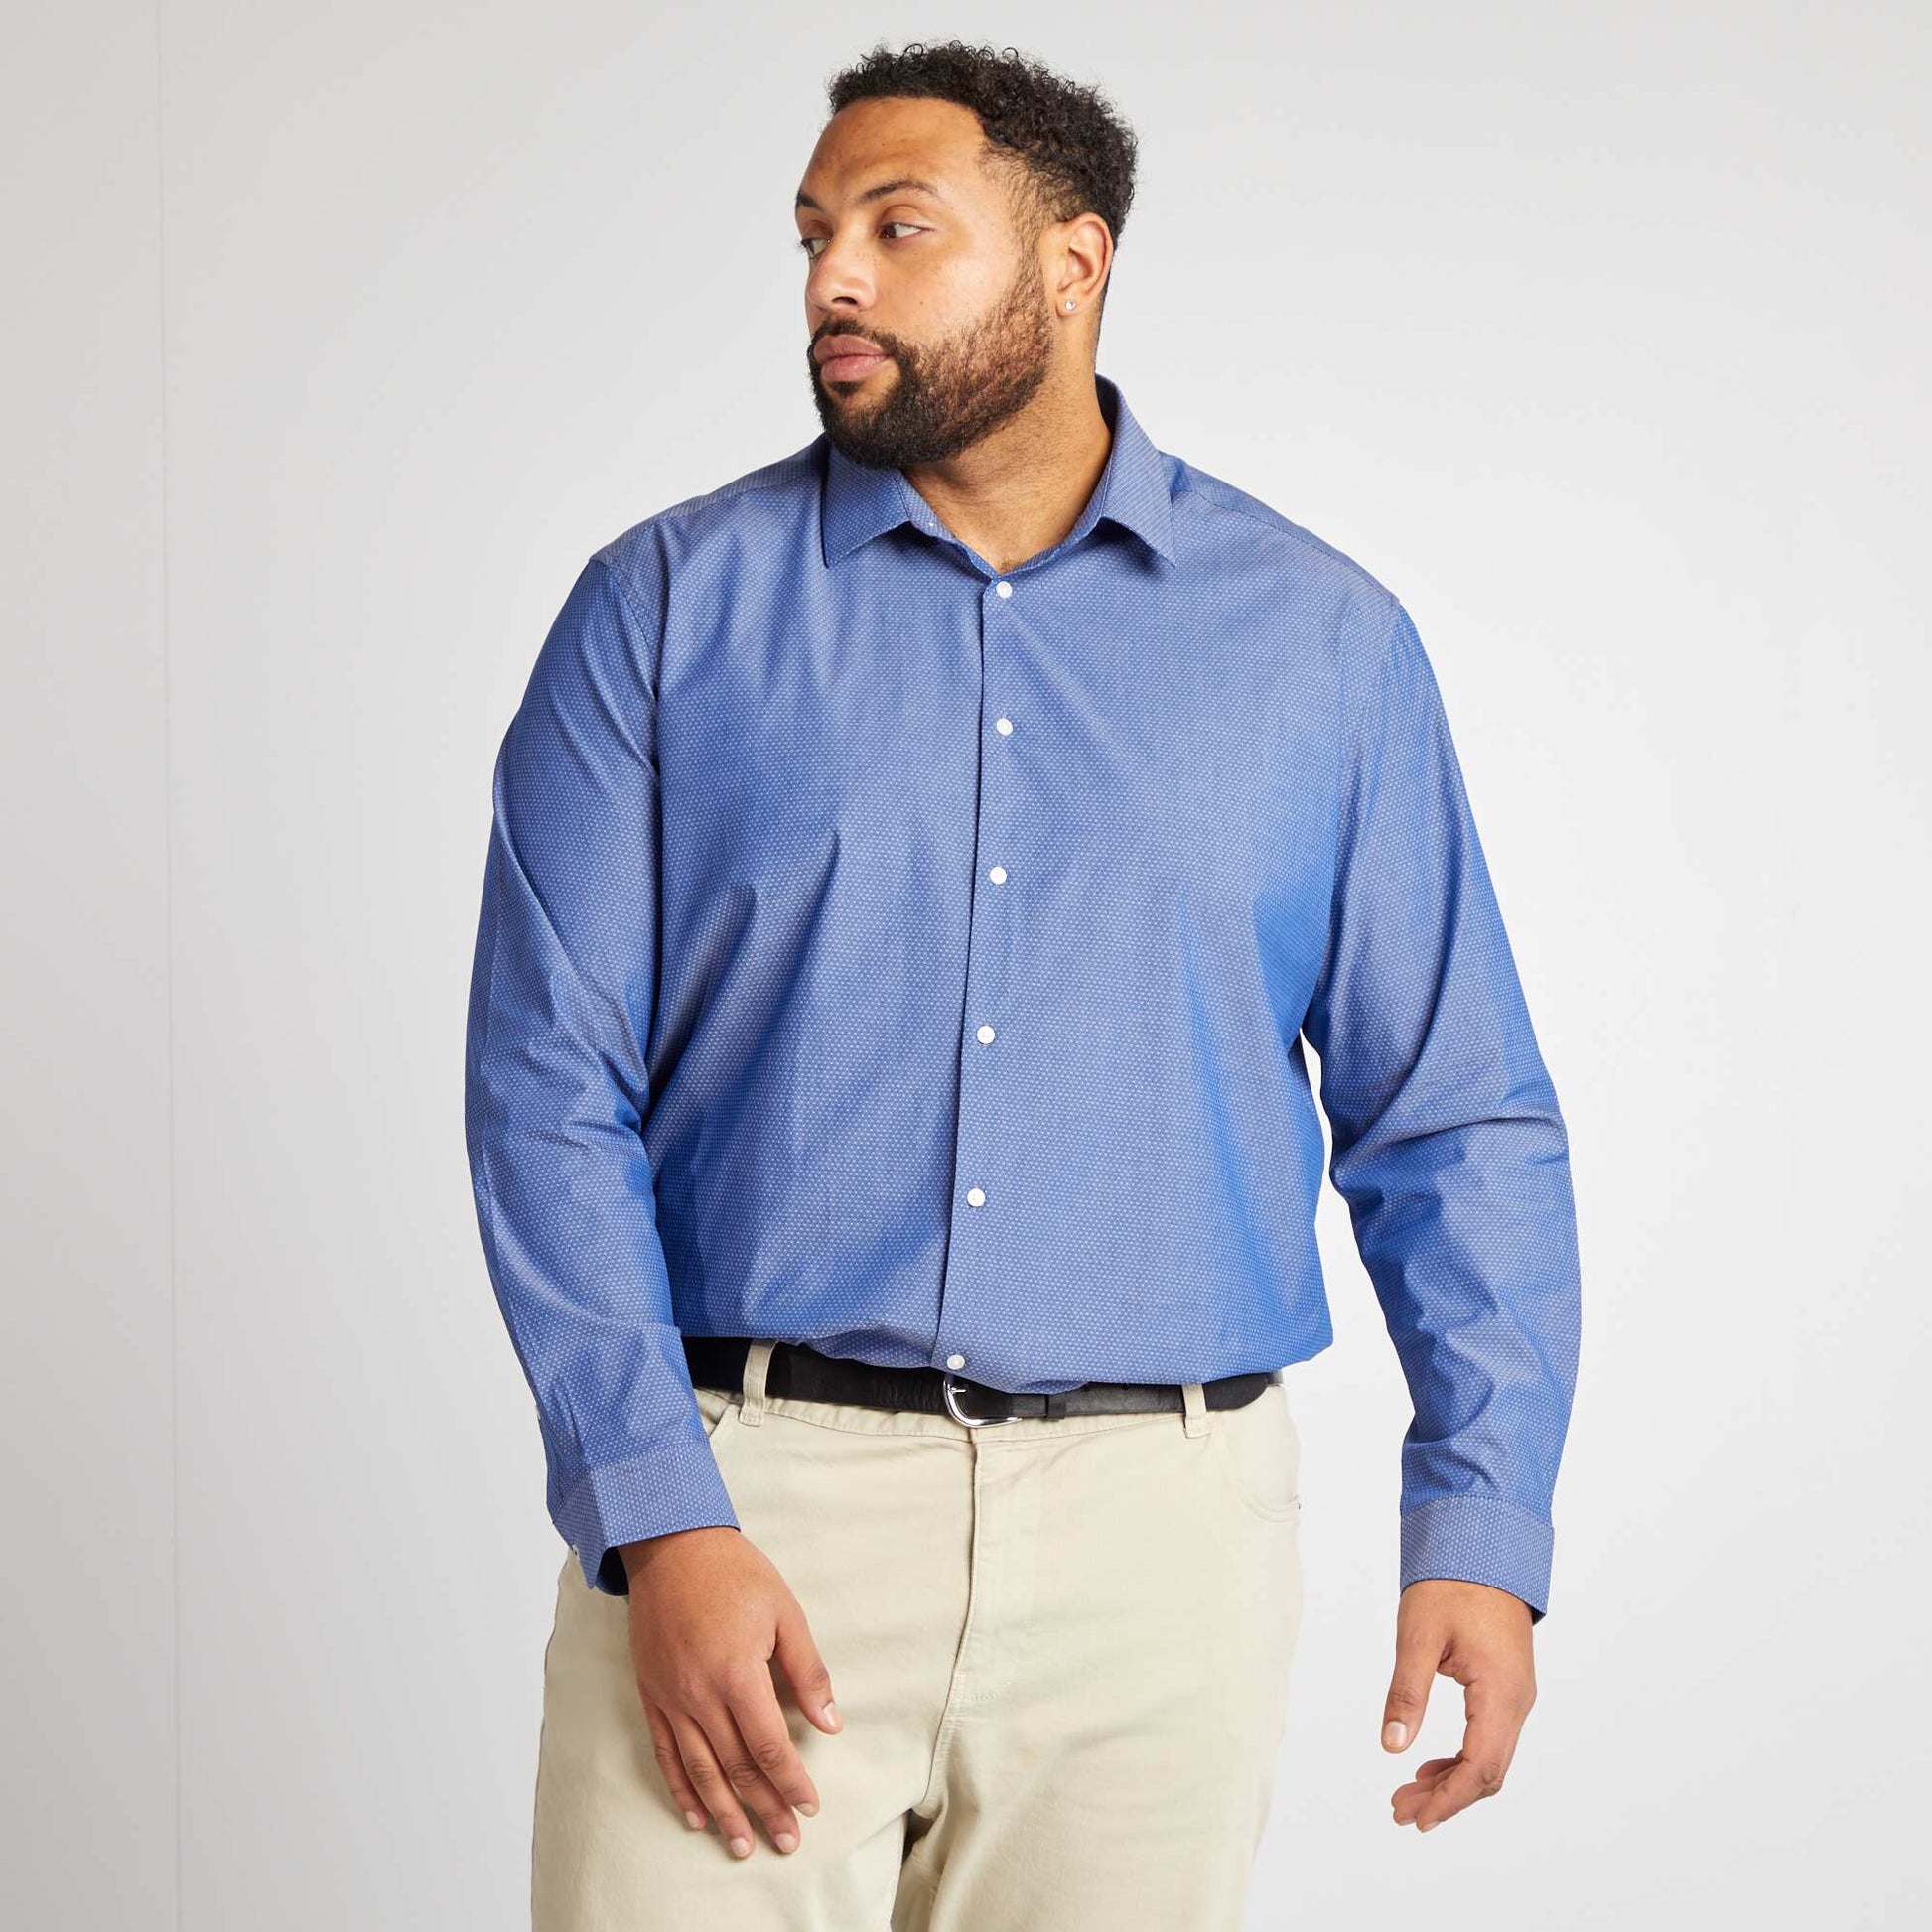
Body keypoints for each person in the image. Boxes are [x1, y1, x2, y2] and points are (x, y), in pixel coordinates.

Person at [463, 37, 1582, 1931]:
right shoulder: (658, 611)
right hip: (750, 1517)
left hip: (1164, 1552)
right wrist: (660, 1511)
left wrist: (1481, 1520)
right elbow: (546, 1091)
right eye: (814, 235)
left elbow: (1451, 1112)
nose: (833, 277)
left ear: (1075, 264)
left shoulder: (1320, 644)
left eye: (898, 229)